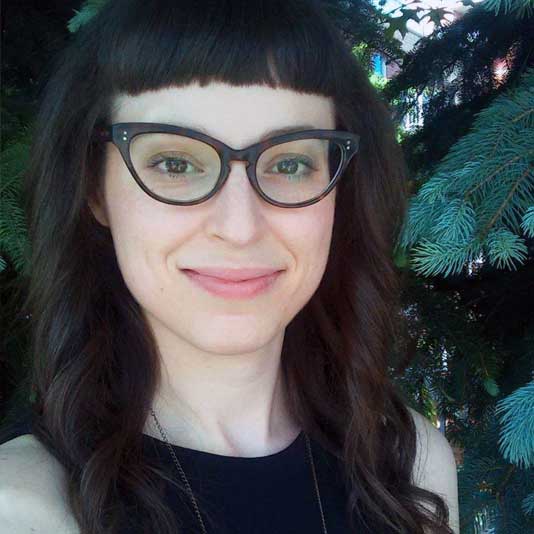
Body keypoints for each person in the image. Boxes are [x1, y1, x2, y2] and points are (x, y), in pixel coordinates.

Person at [0, 0, 459, 533]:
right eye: (175, 164)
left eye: (290, 163)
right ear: (94, 190)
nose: (240, 228)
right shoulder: (25, 511)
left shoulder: (412, 470)